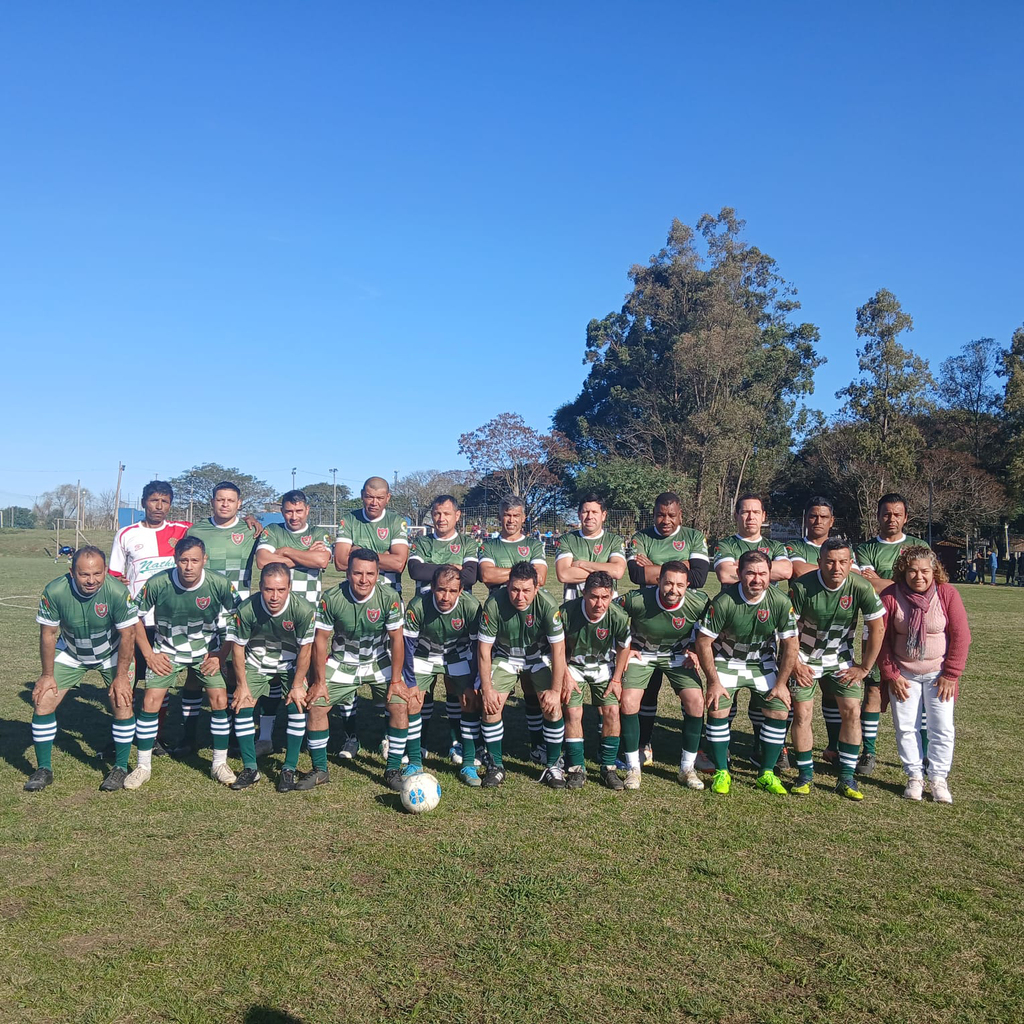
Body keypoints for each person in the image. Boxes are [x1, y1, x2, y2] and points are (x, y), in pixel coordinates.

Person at [126, 537, 239, 789]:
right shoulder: (158, 583)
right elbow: (133, 617)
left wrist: (221, 654)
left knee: (220, 700)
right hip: (166, 652)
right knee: (149, 701)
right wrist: (149, 654)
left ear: (204, 560)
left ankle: (219, 763)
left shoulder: (219, 583)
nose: (189, 566)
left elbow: (237, 619)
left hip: (206, 653)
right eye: (183, 560)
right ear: (175, 560)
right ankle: (143, 766)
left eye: (195, 560)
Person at [25, 547, 138, 792]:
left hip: (111, 653)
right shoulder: (55, 590)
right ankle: (44, 768)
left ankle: (119, 767)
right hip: (71, 652)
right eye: (84, 574)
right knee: (43, 700)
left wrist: (120, 677)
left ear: (105, 571)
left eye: (97, 573)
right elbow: (48, 634)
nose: (91, 580)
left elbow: (128, 635)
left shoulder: (117, 592)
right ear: (71, 572)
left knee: (121, 701)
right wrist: (46, 676)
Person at [695, 550, 799, 796]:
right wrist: (713, 682)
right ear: (739, 574)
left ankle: (766, 773)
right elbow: (702, 642)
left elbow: (791, 644)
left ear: (770, 574)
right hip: (727, 661)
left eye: (762, 573)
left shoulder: (780, 602)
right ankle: (722, 770)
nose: (757, 579)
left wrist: (782, 684)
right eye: (750, 573)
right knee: (718, 704)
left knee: (779, 707)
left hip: (761, 663)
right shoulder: (724, 601)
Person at [788, 538, 885, 800]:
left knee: (853, 711)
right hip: (805, 658)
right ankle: (804, 775)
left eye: (843, 562)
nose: (836, 567)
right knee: (802, 713)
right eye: (830, 561)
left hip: (841, 659)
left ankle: (846, 777)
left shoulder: (861, 586)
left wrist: (864, 668)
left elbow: (878, 626)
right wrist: (795, 663)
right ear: (819, 562)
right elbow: (787, 632)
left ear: (851, 563)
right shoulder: (802, 587)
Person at [303, 549, 404, 787]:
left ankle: (392, 771)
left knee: (400, 705)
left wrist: (397, 680)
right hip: (342, 662)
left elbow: (398, 640)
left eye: (370, 574)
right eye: (357, 573)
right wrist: (319, 682)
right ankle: (320, 770)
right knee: (316, 706)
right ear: (347, 574)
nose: (364, 579)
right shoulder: (332, 597)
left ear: (378, 574)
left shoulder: (389, 597)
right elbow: (320, 640)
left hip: (378, 661)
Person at [879, 546, 970, 804]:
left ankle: (939, 778)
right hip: (903, 674)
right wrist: (891, 674)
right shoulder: (890, 595)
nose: (918, 576)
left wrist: (951, 674)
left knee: (941, 727)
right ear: (903, 572)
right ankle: (914, 776)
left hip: (938, 674)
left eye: (924, 571)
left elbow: (961, 636)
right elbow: (880, 638)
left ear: (934, 571)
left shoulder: (947, 594)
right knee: (906, 727)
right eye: (912, 571)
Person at [626, 491, 709, 765]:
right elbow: (636, 574)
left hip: (680, 627)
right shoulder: (641, 537)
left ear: (680, 515)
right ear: (654, 514)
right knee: (647, 690)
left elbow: (698, 577)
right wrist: (679, 567)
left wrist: (657, 569)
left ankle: (695, 751)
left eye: (671, 515)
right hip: (647, 622)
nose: (666, 520)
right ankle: (644, 743)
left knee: (692, 693)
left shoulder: (694, 537)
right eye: (661, 514)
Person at [109, 480, 191, 754]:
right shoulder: (126, 534)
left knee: (159, 681)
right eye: (154, 500)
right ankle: (123, 733)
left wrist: (251, 520)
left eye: (165, 501)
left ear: (170, 504)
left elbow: (218, 527)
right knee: (129, 678)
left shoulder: (182, 530)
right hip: (136, 620)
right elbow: (114, 579)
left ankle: (154, 735)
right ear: (143, 502)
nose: (159, 506)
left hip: (169, 621)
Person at [852, 492, 929, 775]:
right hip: (876, 627)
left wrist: (886, 582)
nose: (892, 519)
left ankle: (924, 754)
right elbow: (868, 585)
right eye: (886, 513)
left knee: (916, 690)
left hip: (914, 629)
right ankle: (868, 752)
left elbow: (926, 584)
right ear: (878, 516)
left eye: (897, 514)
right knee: (872, 688)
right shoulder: (866, 549)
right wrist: (904, 583)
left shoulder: (918, 546)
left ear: (906, 517)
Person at [713, 494, 793, 766]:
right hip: (729, 633)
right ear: (736, 515)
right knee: (727, 696)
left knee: (766, 695)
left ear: (764, 516)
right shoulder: (726, 543)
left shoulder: (775, 545)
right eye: (745, 512)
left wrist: (746, 571)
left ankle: (766, 748)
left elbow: (787, 570)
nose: (750, 517)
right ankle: (718, 748)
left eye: (755, 512)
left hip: (765, 632)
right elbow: (724, 574)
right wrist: (763, 572)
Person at [617, 561, 710, 791]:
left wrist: (695, 649)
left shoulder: (699, 602)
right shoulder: (637, 599)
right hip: (643, 654)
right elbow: (610, 615)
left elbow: (713, 629)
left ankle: (687, 768)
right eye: (668, 583)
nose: (673, 589)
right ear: (658, 581)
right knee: (628, 701)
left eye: (680, 585)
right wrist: (626, 646)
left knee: (696, 702)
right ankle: (633, 768)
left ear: (688, 585)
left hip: (678, 655)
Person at [225, 562, 317, 791]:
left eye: (281, 590)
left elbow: (306, 650)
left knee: (298, 704)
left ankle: (288, 768)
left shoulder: (304, 610)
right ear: (260, 587)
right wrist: (242, 685)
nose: (274, 596)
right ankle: (250, 769)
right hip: (256, 663)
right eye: (268, 590)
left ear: (290, 588)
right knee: (242, 705)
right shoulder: (246, 609)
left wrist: (297, 685)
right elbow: (237, 648)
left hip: (290, 664)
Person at [477, 562, 566, 789]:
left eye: (526, 590)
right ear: (507, 585)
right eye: (515, 589)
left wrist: (556, 691)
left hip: (538, 657)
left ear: (536, 589)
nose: (520, 596)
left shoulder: (547, 603)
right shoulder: (494, 602)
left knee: (552, 705)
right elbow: (484, 649)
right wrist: (487, 690)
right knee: (491, 705)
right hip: (506, 657)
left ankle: (553, 764)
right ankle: (495, 765)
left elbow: (558, 650)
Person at [405, 494, 479, 762]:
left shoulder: (467, 542)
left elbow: (471, 576)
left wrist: (435, 570)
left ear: (457, 516)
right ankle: (420, 742)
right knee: (420, 692)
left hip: (455, 628)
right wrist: (452, 569)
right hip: (426, 621)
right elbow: (414, 571)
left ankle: (456, 742)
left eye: (447, 514)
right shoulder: (423, 541)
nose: (441, 518)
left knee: (454, 688)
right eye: (436, 513)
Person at [478, 496, 549, 760]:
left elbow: (540, 577)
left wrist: (504, 573)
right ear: (500, 516)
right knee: (491, 687)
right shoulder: (490, 545)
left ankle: (538, 745)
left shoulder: (533, 544)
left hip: (529, 622)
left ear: (523, 517)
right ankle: (489, 748)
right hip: (499, 621)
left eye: (516, 515)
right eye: (506, 515)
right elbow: (485, 576)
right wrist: (522, 572)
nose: (511, 520)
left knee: (531, 685)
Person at [397, 565, 481, 788]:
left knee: (469, 701)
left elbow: (476, 647)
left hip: (458, 654)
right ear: (432, 587)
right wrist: (412, 683)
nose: (446, 596)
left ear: (461, 590)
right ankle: (415, 761)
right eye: (441, 590)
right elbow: (407, 647)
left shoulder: (471, 607)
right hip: (424, 654)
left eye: (452, 591)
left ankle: (469, 762)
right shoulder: (418, 605)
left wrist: (472, 683)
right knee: (413, 701)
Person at [559, 571, 633, 790]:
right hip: (573, 666)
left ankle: (608, 768)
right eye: (594, 597)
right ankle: (576, 769)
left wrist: (617, 680)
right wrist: (564, 674)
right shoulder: (566, 612)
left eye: (605, 597)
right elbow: (557, 647)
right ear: (584, 593)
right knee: (573, 712)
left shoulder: (618, 615)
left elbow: (624, 646)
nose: (599, 603)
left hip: (603, 667)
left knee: (611, 711)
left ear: (611, 596)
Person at [333, 476, 410, 594]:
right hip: (355, 594)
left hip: (389, 593)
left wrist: (359, 553)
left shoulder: (396, 521)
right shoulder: (349, 520)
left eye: (380, 498)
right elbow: (340, 562)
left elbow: (399, 564)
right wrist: (386, 556)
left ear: (388, 498)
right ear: (362, 495)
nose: (374, 503)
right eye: (369, 497)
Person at [255, 490, 333, 606]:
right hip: (277, 605)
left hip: (309, 604)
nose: (294, 517)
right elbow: (262, 561)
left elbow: (321, 561)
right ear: (282, 511)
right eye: (289, 512)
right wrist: (307, 556)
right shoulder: (273, 530)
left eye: (299, 511)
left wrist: (286, 551)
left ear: (307, 510)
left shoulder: (318, 533)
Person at [555, 493, 627, 602]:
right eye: (585, 512)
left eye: (594, 512)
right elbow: (564, 574)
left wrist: (582, 564)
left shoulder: (614, 540)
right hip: (574, 606)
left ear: (603, 515)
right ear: (579, 515)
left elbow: (617, 571)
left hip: (606, 607)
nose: (590, 517)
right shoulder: (566, 540)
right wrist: (606, 571)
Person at [785, 497, 835, 578]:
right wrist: (837, 571)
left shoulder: (843, 548)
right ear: (805, 519)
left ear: (832, 521)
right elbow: (800, 571)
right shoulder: (794, 546)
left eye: (824, 517)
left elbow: (856, 573)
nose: (818, 521)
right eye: (813, 516)